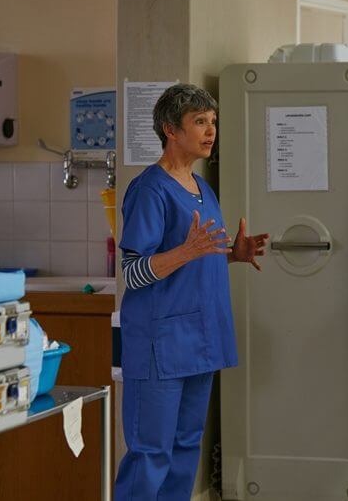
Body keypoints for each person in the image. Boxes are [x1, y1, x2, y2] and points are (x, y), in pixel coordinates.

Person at [114, 83, 269, 499]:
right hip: (160, 345)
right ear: (171, 129)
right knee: (151, 454)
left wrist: (232, 255)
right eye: (200, 121)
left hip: (201, 339)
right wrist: (186, 251)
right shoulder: (150, 190)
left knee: (185, 449)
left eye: (213, 121)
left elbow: (196, 260)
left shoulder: (202, 188)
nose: (211, 130)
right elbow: (132, 272)